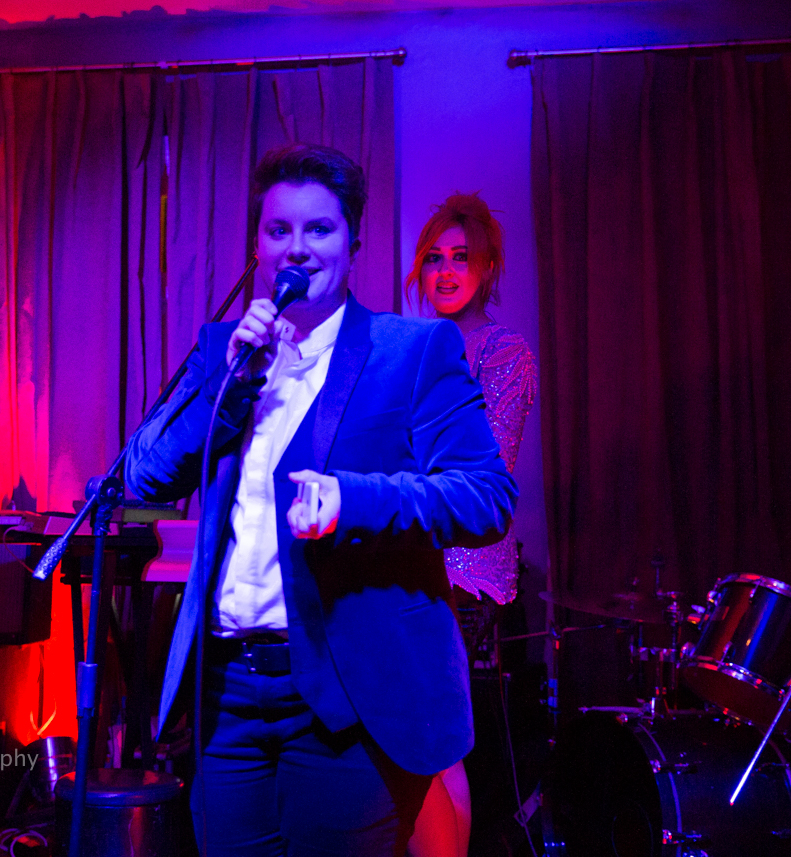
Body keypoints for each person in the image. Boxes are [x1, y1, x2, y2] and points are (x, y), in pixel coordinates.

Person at [124, 145, 517, 856]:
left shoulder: (412, 350)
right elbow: (144, 476)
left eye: (319, 229)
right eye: (279, 230)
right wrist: (230, 387)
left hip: (345, 694)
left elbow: (486, 496)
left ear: (352, 243)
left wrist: (355, 502)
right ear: (257, 246)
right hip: (227, 696)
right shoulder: (225, 351)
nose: (297, 248)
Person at [405, 193, 539, 857]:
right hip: (405, 562)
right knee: (417, 742)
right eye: (434, 258)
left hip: (463, 572)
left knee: (427, 740)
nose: (446, 271)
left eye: (461, 257)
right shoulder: (409, 346)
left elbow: (487, 471)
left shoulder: (505, 351)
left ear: (487, 268)